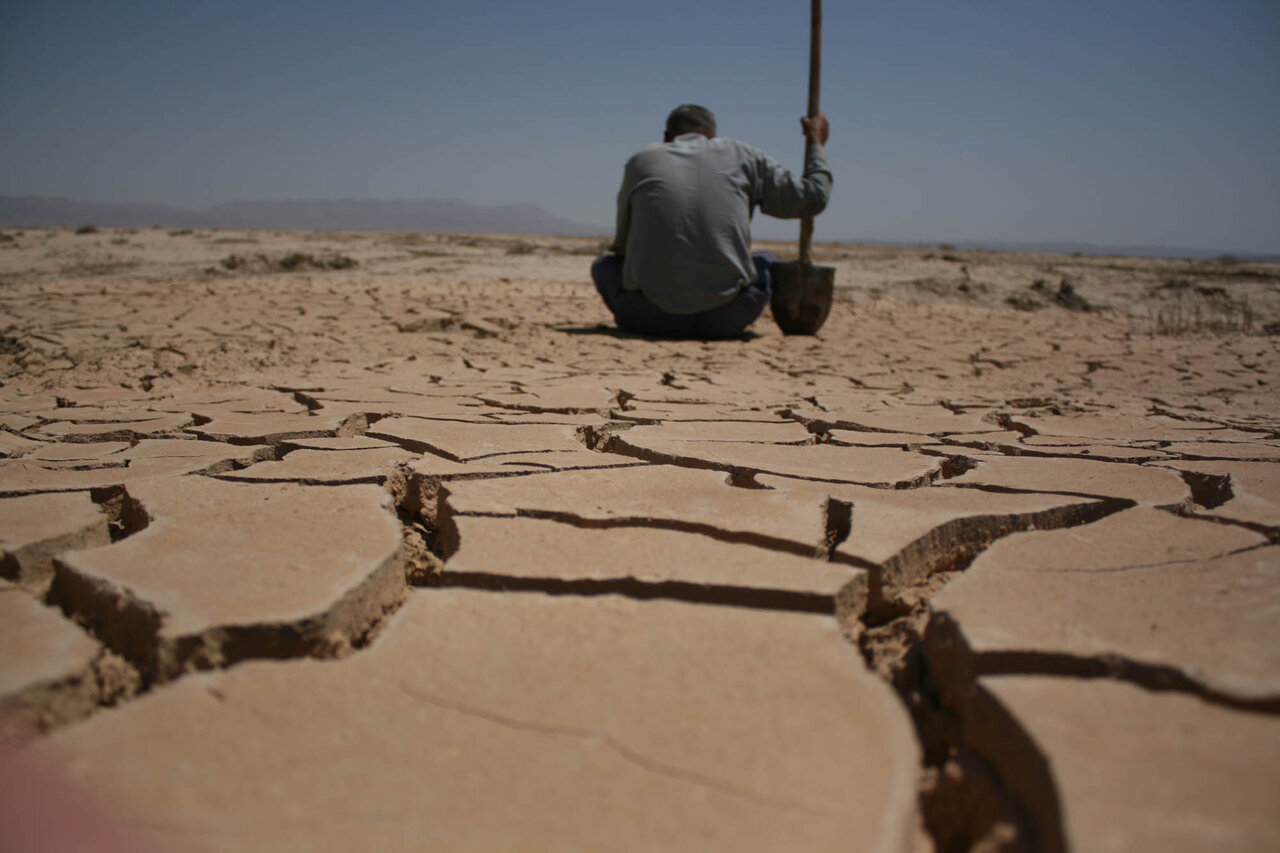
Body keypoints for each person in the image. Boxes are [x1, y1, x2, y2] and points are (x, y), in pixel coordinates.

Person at [592, 104, 832, 339]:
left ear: (667, 137)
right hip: (728, 317)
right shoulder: (742, 155)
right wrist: (816, 143)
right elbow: (812, 198)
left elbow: (622, 247)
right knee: (766, 259)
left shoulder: (641, 160)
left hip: (648, 317)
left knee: (605, 265)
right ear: (712, 136)